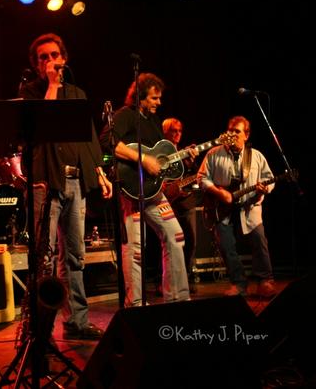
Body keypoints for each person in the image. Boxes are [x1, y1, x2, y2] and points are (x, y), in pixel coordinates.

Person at [19, 33, 113, 340]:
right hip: (46, 182)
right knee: (43, 255)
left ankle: (77, 322)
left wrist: (99, 172)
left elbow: (86, 136)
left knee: (75, 255)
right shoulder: (31, 91)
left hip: (75, 180)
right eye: (43, 57)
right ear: (36, 65)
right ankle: (40, 328)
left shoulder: (77, 92)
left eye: (54, 55)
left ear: (64, 58)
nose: (50, 61)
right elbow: (44, 124)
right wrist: (52, 85)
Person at [100, 73, 192, 307]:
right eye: (154, 98)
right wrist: (142, 159)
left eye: (159, 98)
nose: (158, 103)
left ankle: (178, 298)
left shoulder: (152, 122)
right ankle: (136, 305)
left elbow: (160, 160)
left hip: (152, 192)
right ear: (140, 97)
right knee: (135, 249)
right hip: (130, 190)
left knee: (175, 235)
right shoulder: (125, 115)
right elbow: (106, 141)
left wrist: (184, 157)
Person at [197, 115, 277, 297]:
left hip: (249, 207)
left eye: (237, 131)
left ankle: (265, 280)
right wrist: (219, 193)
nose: (232, 134)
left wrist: (264, 189)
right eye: (230, 130)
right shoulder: (213, 154)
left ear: (246, 135)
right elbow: (201, 178)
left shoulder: (255, 156)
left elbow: (269, 178)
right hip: (221, 208)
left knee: (259, 241)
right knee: (226, 246)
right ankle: (239, 283)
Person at [161, 117, 203, 294]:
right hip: (166, 201)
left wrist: (191, 161)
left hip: (184, 202)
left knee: (191, 240)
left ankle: (186, 276)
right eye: (174, 131)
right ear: (166, 132)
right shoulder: (161, 152)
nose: (178, 134)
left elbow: (194, 174)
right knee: (168, 241)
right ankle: (165, 281)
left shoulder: (185, 153)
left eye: (180, 131)